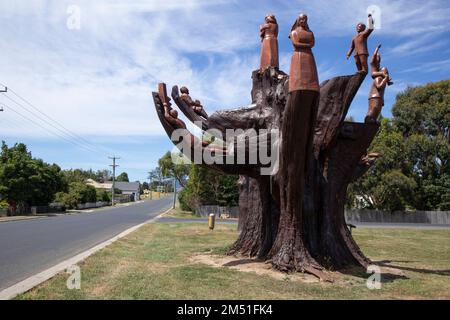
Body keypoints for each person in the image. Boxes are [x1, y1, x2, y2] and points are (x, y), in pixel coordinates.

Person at [288, 13, 319, 93]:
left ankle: (311, 86)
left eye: (305, 19)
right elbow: (295, 44)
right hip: (298, 55)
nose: (303, 21)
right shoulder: (294, 32)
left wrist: (305, 45)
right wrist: (307, 45)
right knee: (299, 75)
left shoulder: (310, 33)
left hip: (309, 55)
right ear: (298, 20)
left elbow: (312, 44)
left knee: (310, 75)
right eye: (301, 19)